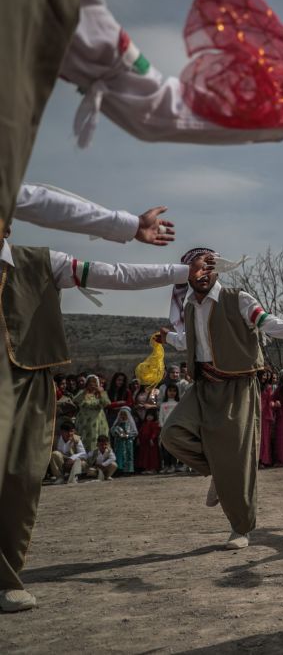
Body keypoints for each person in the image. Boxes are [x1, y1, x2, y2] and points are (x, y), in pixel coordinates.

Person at [0, 229, 201, 612]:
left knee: (22, 477)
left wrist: (180, 272)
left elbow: (117, 273)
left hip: (27, 382)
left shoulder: (43, 263)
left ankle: (6, 577)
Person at [157, 247, 283, 550]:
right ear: (187, 275)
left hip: (238, 386)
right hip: (203, 385)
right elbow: (189, 341)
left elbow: (270, 323)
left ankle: (241, 528)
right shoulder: (190, 307)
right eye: (196, 269)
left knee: (240, 461)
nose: (202, 274)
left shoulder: (238, 299)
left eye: (208, 268)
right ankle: (217, 471)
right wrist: (165, 337)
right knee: (171, 434)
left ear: (217, 270)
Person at [73, 374, 110, 453]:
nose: (92, 385)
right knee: (83, 440)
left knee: (97, 440)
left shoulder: (100, 393)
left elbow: (107, 403)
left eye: (94, 383)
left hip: (97, 422)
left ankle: (97, 459)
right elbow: (75, 400)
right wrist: (84, 392)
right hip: (84, 422)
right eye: (90, 383)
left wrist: (100, 393)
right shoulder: (83, 392)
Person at [159, 383, 182, 472]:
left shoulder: (178, 404)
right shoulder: (163, 405)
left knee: (174, 448)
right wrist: (162, 427)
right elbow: (161, 417)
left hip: (175, 429)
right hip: (165, 429)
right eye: (170, 391)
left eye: (174, 391)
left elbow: (180, 417)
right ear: (166, 392)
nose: (172, 393)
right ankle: (166, 465)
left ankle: (173, 465)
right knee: (165, 448)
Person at [108, 406, 137, 475]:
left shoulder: (130, 424)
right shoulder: (117, 423)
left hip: (128, 443)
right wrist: (117, 433)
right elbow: (112, 431)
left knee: (128, 456)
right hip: (119, 443)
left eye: (125, 414)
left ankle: (128, 470)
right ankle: (119, 470)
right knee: (119, 456)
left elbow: (134, 432)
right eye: (121, 414)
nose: (123, 416)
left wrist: (127, 435)